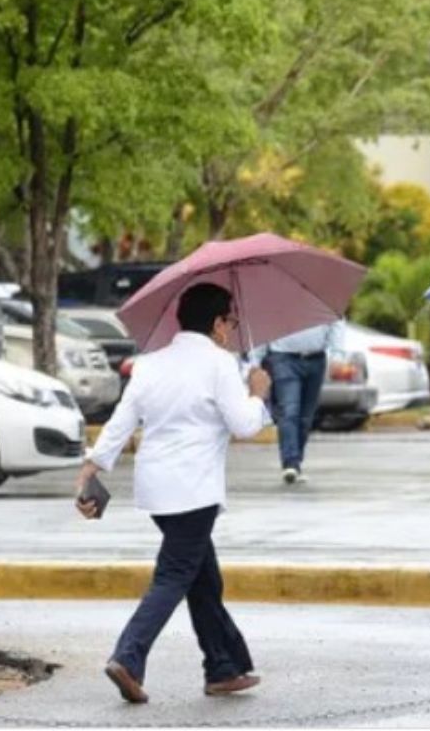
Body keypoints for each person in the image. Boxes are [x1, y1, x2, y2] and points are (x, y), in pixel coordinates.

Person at [76, 283, 273, 704]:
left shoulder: (150, 364)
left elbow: (121, 422)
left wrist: (90, 467)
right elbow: (244, 425)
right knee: (175, 574)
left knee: (204, 579)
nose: (232, 330)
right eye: (230, 321)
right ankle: (128, 657)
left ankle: (223, 668)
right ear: (218, 322)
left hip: (157, 490)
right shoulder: (221, 364)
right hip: (194, 489)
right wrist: (257, 394)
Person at [256, 322, 337, 484]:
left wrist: (337, 353)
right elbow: (262, 323)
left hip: (316, 359)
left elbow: (336, 321)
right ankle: (290, 463)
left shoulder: (320, 298)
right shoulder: (275, 297)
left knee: (306, 416)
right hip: (283, 358)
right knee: (289, 410)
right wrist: (256, 358)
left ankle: (296, 462)